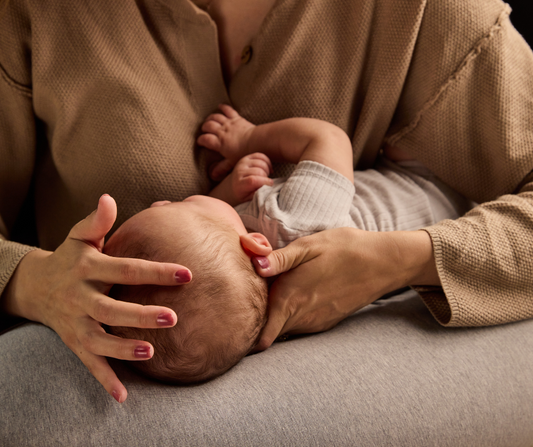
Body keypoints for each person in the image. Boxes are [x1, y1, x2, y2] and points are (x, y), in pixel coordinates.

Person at [0, 0, 532, 416]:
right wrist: (29, 279)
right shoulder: (33, 15)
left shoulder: (430, 17)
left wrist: (403, 260)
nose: (172, 200)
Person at [105, 104, 471, 383]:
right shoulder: (293, 219)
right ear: (257, 241)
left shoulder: (255, 316)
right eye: (183, 204)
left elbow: (217, 238)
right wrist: (248, 138)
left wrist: (228, 191)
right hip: (434, 183)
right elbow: (329, 140)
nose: (161, 201)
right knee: (415, 125)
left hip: (436, 219)